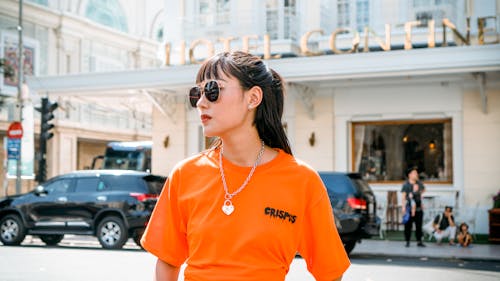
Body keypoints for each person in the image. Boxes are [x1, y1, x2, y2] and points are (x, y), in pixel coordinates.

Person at [140, 51, 350, 281]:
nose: (200, 102)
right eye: (196, 94)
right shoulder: (185, 174)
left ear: (253, 98)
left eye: (212, 90)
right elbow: (168, 262)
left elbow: (330, 272)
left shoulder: (302, 180)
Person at [401, 167, 426, 247]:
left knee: (419, 225)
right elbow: (403, 197)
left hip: (418, 208)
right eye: (414, 173)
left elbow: (423, 190)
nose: (416, 174)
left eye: (416, 173)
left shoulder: (419, 183)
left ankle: (419, 241)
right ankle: (407, 241)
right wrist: (403, 207)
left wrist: (419, 195)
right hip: (409, 208)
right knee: (408, 225)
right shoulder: (406, 185)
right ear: (410, 175)